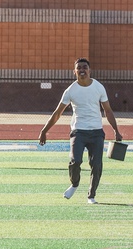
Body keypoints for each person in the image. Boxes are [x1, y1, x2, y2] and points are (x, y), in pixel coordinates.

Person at [38, 58, 123, 204]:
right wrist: (44, 131)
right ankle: (75, 183)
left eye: (85, 67)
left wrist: (116, 130)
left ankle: (91, 196)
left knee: (96, 165)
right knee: (74, 161)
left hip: (96, 132)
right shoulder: (70, 90)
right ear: (74, 71)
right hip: (78, 132)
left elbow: (107, 110)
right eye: (79, 68)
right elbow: (57, 113)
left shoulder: (98, 87)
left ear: (90, 70)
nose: (82, 70)